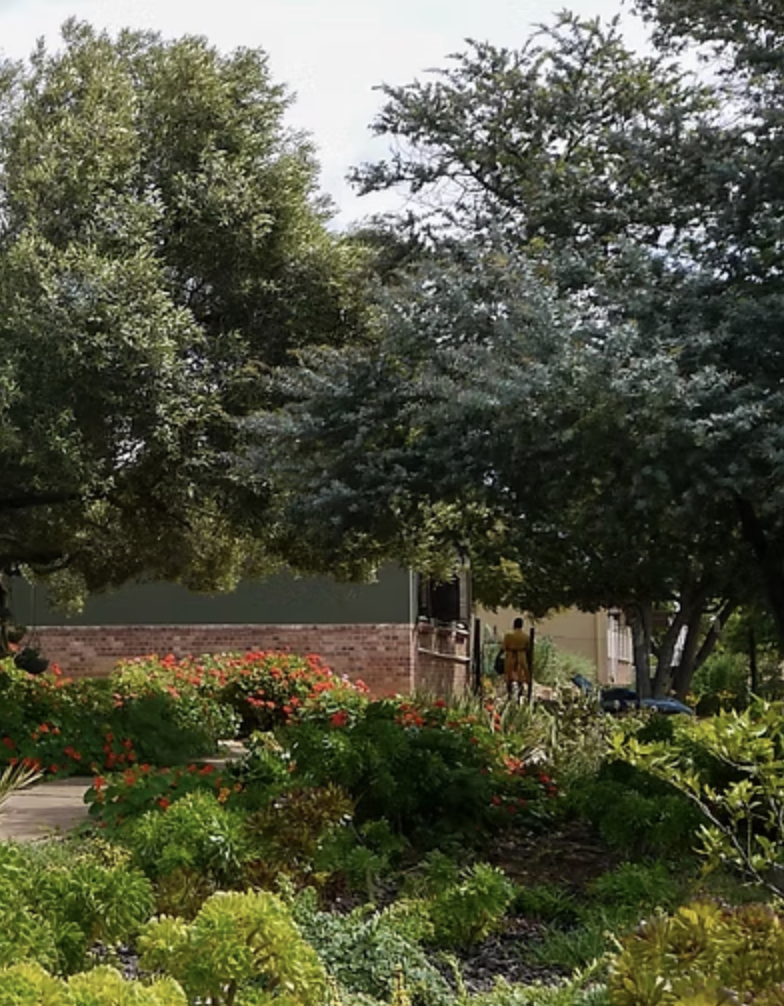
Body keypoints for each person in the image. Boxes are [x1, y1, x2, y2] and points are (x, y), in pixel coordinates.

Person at [502, 617, 530, 701]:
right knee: (521, 675)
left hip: (510, 656)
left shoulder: (508, 636)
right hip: (521, 657)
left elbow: (503, 647)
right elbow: (528, 649)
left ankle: (509, 694)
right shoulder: (526, 637)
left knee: (509, 675)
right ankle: (520, 693)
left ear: (514, 625)